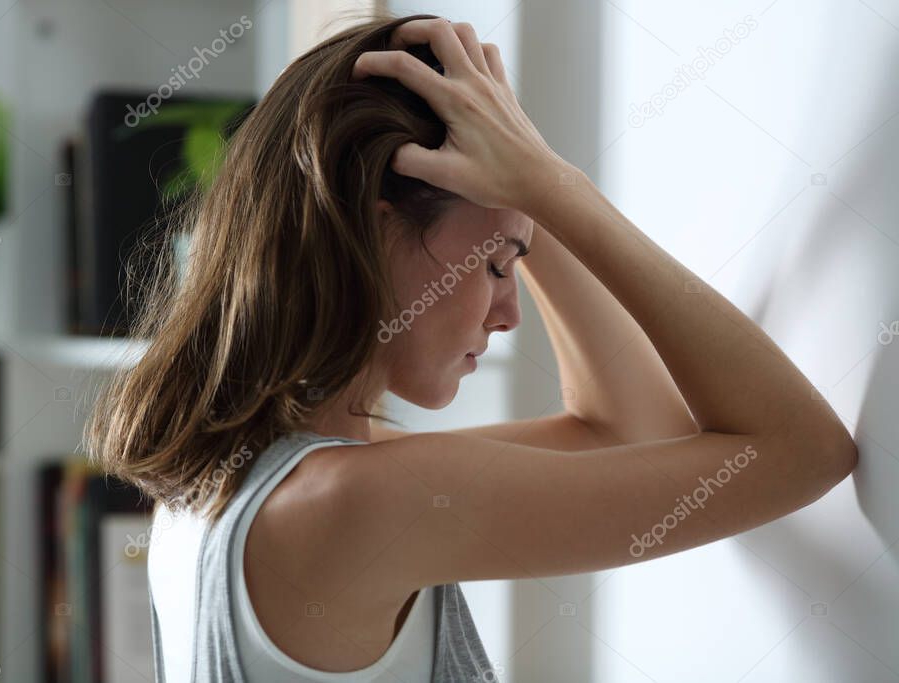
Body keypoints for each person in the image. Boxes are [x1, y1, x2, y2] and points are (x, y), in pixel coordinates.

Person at [84, 12, 858, 683]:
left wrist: (522, 186)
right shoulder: (356, 502)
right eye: (494, 266)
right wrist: (552, 185)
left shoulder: (228, 482)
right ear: (379, 228)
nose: (508, 313)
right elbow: (804, 448)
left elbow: (629, 432)